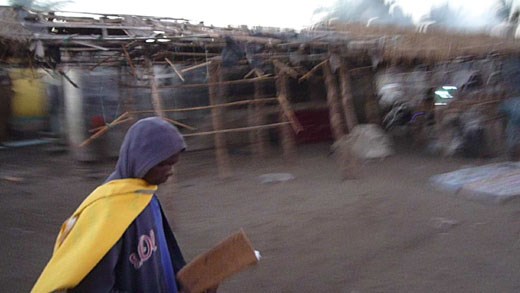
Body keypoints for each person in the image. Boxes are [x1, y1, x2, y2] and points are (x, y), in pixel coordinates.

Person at [32, 116, 206, 292]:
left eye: (173, 164)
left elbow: (165, 257)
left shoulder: (146, 196)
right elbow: (91, 285)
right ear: (140, 159)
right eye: (162, 164)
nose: (170, 172)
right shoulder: (107, 213)